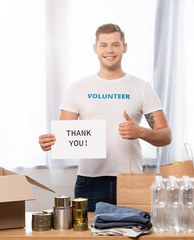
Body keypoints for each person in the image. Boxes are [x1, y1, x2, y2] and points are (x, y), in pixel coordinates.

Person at [39, 23, 171, 211]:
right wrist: (49, 141)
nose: (110, 50)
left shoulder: (141, 87)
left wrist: (140, 131)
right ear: (95, 48)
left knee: (134, 234)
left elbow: (166, 135)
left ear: (124, 48)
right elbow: (64, 136)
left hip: (131, 181)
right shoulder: (78, 88)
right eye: (104, 45)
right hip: (89, 182)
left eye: (116, 44)